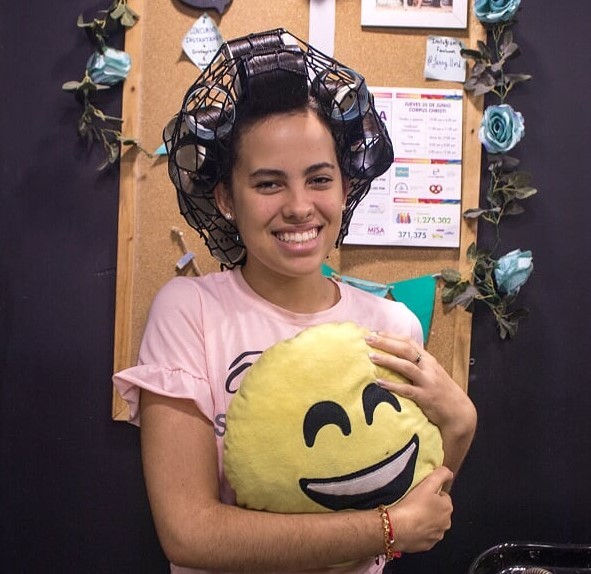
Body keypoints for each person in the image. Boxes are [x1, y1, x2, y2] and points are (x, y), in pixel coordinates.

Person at [113, 28, 477, 574]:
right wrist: (386, 529)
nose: (300, 206)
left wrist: (461, 426)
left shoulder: (391, 325)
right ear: (225, 198)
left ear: (346, 186)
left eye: (319, 178)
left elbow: (419, 510)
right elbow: (189, 533)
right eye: (268, 184)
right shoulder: (191, 313)